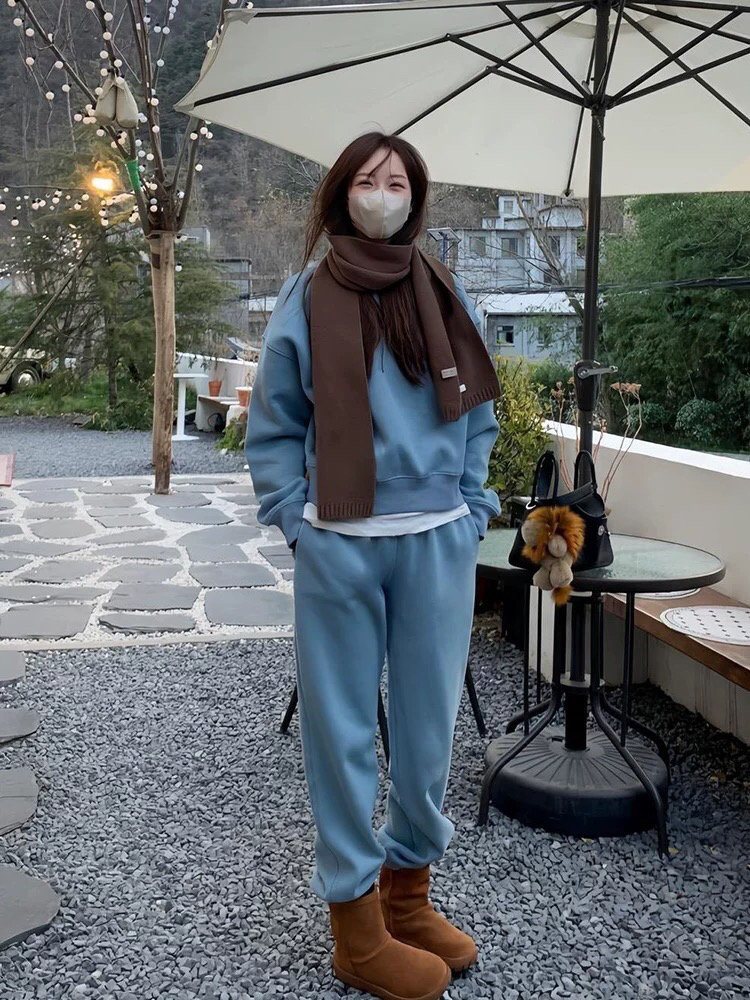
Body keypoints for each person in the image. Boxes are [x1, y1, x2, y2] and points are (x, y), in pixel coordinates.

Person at [245, 132, 500, 1000]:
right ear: (340, 194)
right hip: (340, 544)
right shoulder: (304, 296)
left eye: (398, 182)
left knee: (429, 732)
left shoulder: (442, 289)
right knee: (342, 735)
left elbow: (478, 412)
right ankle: (355, 928)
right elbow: (274, 422)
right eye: (367, 179)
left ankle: (408, 895)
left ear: (416, 198)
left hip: (437, 541)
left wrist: (472, 510)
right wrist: (296, 523)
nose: (383, 194)